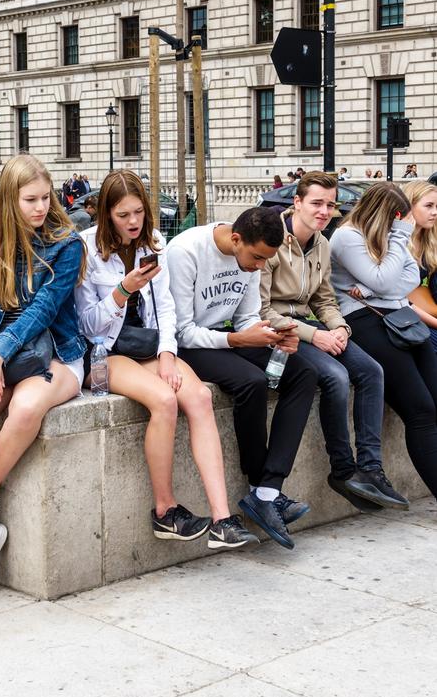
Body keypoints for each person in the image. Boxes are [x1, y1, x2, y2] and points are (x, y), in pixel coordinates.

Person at [75, 171, 257, 549]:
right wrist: (123, 291)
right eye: (123, 215)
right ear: (106, 215)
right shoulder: (86, 250)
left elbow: (168, 311)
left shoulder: (153, 243)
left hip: (149, 347)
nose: (133, 221)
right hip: (103, 354)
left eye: (139, 212)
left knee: (200, 398)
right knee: (163, 400)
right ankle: (164, 510)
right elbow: (87, 325)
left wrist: (168, 355)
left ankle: (223, 519)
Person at [0, 154, 87, 596]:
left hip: (56, 357)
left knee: (26, 408)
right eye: (30, 199)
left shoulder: (68, 244)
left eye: (46, 197)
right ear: (9, 200)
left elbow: (43, 310)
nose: (41, 207)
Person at [166, 207, 319, 550]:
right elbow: (181, 331)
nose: (260, 266)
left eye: (267, 259)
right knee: (251, 381)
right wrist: (236, 340)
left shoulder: (250, 258)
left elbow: (247, 316)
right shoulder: (186, 252)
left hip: (228, 337)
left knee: (305, 371)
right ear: (236, 239)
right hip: (189, 345)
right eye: (257, 257)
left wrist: (274, 334)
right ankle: (256, 483)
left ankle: (267, 490)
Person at [259, 172, 408, 511]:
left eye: (330, 204)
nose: (325, 211)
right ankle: (342, 469)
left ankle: (370, 469)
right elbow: (261, 310)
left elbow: (324, 299)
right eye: (316, 203)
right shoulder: (271, 238)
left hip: (313, 326)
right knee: (337, 377)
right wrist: (316, 335)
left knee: (371, 371)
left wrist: (339, 327)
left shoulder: (322, 243)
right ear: (296, 202)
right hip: (279, 331)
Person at [330, 182, 437, 501]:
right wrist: (400, 238)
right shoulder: (347, 237)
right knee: (420, 411)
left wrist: (376, 286)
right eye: (398, 218)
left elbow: (409, 280)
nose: (402, 224)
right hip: (365, 321)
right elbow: (385, 280)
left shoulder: (389, 233)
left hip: (400, 317)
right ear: (383, 214)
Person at [401, 181, 437, 351]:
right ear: (410, 206)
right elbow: (397, 299)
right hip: (395, 311)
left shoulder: (430, 239)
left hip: (419, 309)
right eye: (429, 206)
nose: (435, 212)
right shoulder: (395, 241)